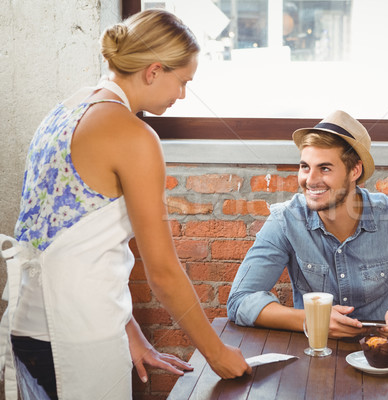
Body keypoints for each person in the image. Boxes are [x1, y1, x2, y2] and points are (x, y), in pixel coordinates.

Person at [0, 9, 250, 400]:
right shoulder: (133, 135)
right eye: (182, 81)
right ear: (153, 71)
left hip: (27, 328)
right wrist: (215, 354)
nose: (181, 95)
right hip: (78, 340)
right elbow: (164, 272)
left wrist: (130, 330)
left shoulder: (61, 113)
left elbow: (69, 243)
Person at [227, 110, 388, 343]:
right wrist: (313, 320)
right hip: (314, 357)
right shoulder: (285, 220)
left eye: (324, 168)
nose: (309, 180)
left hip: (387, 360)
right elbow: (240, 301)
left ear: (355, 170)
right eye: (305, 166)